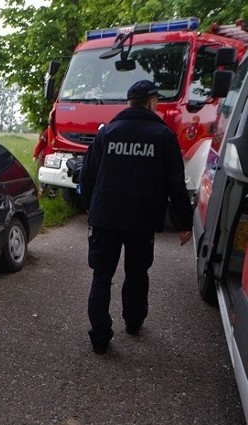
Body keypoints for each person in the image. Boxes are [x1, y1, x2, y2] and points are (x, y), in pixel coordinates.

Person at [79, 80, 193, 355]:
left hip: (105, 218)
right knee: (137, 273)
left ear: (128, 102)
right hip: (142, 221)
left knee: (101, 277)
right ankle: (133, 321)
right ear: (152, 102)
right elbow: (176, 183)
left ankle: (100, 338)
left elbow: (87, 174)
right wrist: (184, 222)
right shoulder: (163, 136)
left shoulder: (107, 133)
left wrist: (90, 208)